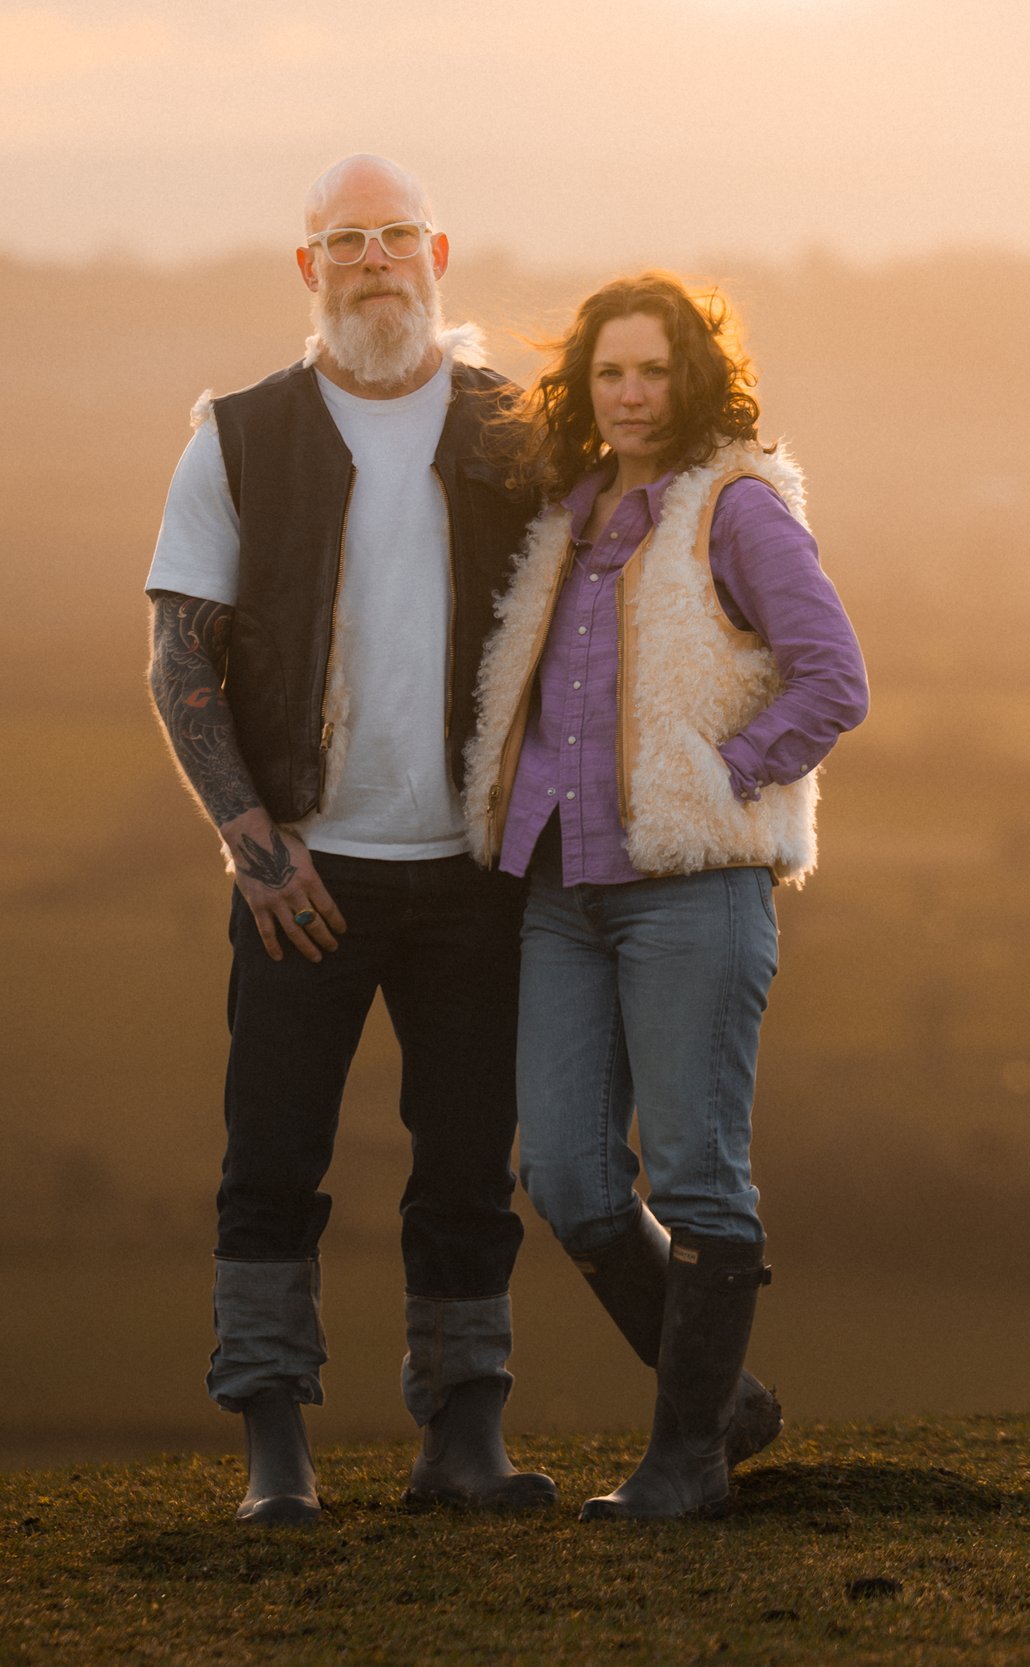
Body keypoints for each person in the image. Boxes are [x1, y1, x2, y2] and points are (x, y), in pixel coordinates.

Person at [143, 155, 554, 1524]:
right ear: (307, 268)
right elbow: (179, 652)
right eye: (345, 240)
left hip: (474, 872)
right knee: (271, 1156)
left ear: (438, 248)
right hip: (300, 873)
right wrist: (257, 845)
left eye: (395, 236)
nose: (374, 260)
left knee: (466, 1162)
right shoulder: (240, 432)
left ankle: (465, 1438)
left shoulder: (516, 427)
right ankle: (275, 1456)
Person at [466, 272, 868, 1520]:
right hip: (558, 890)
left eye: (651, 370)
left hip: (688, 890)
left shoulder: (737, 509)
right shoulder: (570, 515)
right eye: (608, 374)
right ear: (583, 389)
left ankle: (684, 1458)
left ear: (691, 378)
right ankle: (727, 1401)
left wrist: (720, 775)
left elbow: (834, 678)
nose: (630, 394)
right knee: (573, 1180)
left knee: (697, 1179)